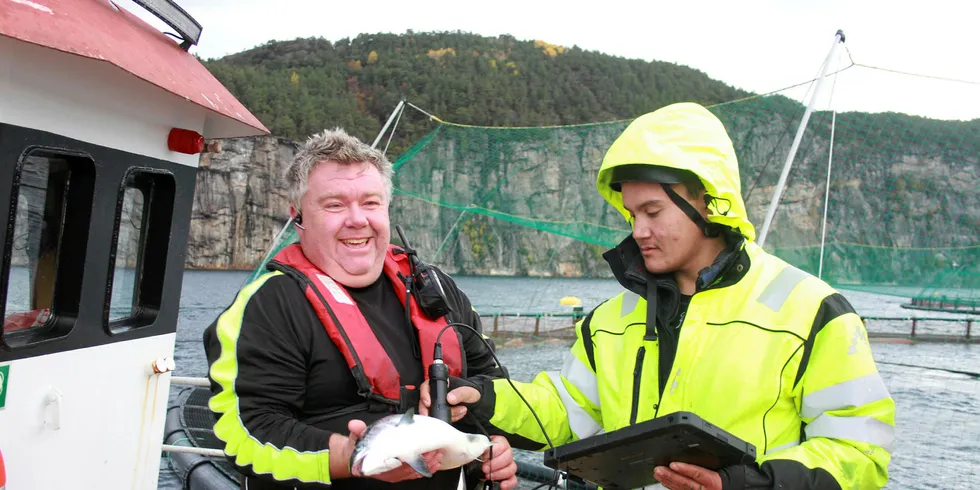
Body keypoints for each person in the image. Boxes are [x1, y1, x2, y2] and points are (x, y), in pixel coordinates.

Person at [421, 102, 896, 490]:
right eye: (631, 214)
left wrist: (747, 484)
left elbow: (860, 454)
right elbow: (566, 411)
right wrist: (482, 399)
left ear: (709, 202)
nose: (639, 231)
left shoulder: (812, 310)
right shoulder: (610, 320)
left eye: (653, 211)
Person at [204, 128, 519, 490]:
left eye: (370, 203)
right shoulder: (268, 307)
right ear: (298, 217)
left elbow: (492, 384)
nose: (357, 219)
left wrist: (491, 448)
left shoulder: (437, 289)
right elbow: (244, 435)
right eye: (334, 205)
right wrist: (351, 457)